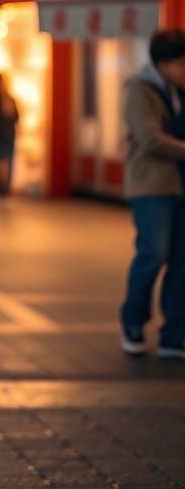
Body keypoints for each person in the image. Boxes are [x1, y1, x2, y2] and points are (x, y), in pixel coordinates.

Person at [119, 29, 185, 359]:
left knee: (182, 260)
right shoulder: (139, 90)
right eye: (182, 63)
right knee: (153, 254)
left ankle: (174, 333)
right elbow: (150, 138)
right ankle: (133, 321)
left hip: (180, 185)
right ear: (164, 63)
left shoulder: (176, 91)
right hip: (151, 186)